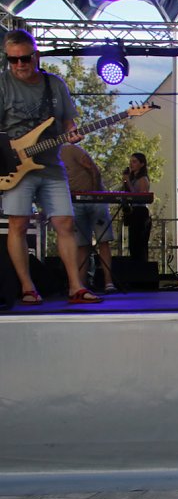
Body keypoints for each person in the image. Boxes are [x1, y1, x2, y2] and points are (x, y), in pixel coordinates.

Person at [0, 29, 102, 304]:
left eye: (25, 58)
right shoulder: (2, 85)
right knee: (18, 224)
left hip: (51, 165)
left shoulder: (54, 85)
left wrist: (73, 132)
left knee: (65, 222)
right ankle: (27, 287)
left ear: (36, 56)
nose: (20, 65)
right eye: (13, 60)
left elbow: (68, 120)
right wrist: (9, 154)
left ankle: (75, 287)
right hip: (14, 167)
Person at [61, 143, 117, 294]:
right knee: (81, 244)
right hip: (75, 201)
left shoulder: (70, 149)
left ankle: (108, 282)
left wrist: (94, 193)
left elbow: (93, 168)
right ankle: (81, 285)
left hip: (94, 198)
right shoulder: (48, 160)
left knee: (103, 241)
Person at [121, 152, 151, 262]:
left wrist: (128, 181)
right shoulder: (133, 178)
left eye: (134, 162)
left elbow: (139, 197)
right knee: (133, 243)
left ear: (142, 164)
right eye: (130, 162)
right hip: (133, 211)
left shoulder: (143, 179)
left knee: (139, 243)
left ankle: (142, 268)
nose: (131, 164)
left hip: (140, 211)